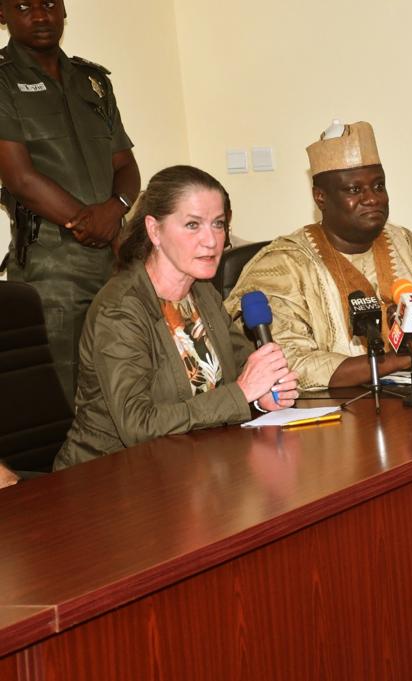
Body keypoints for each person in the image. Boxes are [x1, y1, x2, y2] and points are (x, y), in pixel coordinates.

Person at [54, 166, 298, 470]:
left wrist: (264, 397)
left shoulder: (203, 293)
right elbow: (138, 426)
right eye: (193, 225)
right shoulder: (120, 309)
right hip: (110, 480)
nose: (211, 241)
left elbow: (241, 369)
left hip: (190, 469)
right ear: (155, 230)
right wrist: (242, 393)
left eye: (218, 224)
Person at [225, 120, 412, 390]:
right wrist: (396, 360)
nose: (372, 199)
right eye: (354, 190)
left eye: (379, 186)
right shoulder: (282, 265)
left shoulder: (408, 245)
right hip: (334, 419)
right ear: (320, 198)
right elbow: (288, 362)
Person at [0, 0, 141, 405]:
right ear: (3, 15)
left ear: (64, 10)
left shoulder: (93, 80)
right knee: (60, 395)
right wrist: (86, 221)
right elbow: (20, 178)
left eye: (49, 4)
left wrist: (115, 210)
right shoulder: (3, 80)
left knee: (122, 382)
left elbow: (126, 163)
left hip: (113, 257)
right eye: (24, 5)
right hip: (50, 266)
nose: (41, 15)